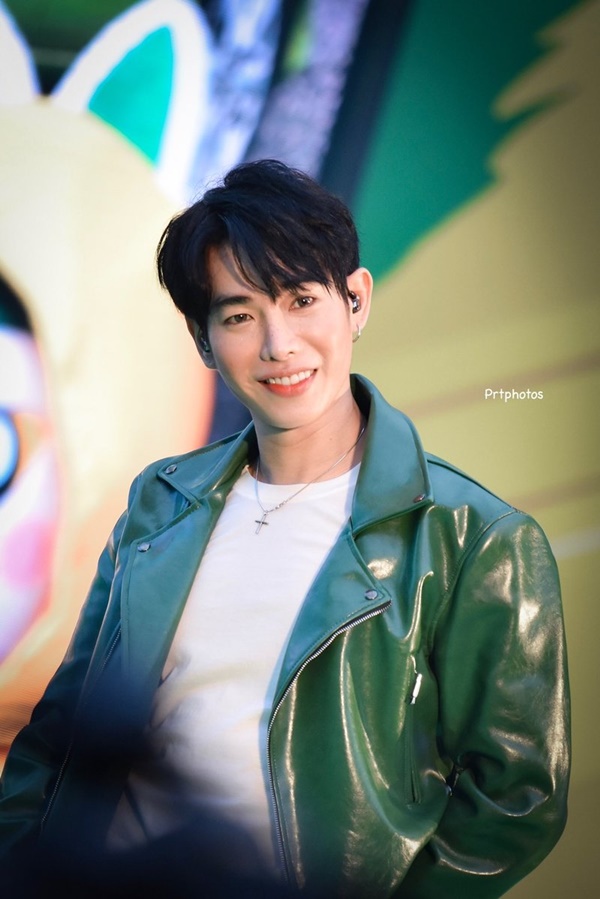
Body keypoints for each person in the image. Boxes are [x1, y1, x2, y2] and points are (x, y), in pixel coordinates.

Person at [0, 160, 570, 897]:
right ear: (203, 340)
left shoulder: (473, 538)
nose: (279, 345)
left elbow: (517, 801)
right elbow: (61, 731)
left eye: (302, 300)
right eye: (239, 315)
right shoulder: (160, 502)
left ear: (356, 301)